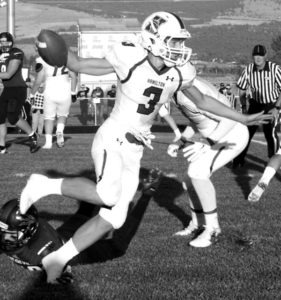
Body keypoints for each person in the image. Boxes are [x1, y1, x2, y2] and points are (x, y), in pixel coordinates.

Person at [19, 12, 271, 283]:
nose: (180, 47)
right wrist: (51, 47)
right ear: (155, 39)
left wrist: (242, 118)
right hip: (113, 135)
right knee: (108, 194)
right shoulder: (131, 57)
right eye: (173, 40)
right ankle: (41, 185)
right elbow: (79, 64)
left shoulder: (179, 71)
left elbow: (203, 102)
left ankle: (56, 260)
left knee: (114, 219)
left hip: (135, 146)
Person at [165, 77, 249, 247]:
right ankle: (197, 224)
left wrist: (207, 142)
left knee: (197, 172)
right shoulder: (180, 89)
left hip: (232, 133)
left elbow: (229, 119)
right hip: (217, 135)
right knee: (189, 181)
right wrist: (180, 141)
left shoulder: (190, 90)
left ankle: (212, 229)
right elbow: (197, 120)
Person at [232, 44, 281, 169]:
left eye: (260, 55)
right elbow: (242, 89)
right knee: (246, 132)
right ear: (252, 56)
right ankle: (238, 160)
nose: (258, 58)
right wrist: (243, 106)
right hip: (255, 103)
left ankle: (273, 161)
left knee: (270, 132)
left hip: (271, 103)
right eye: (255, 55)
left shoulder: (274, 69)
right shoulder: (248, 69)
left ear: (265, 56)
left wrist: (277, 107)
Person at [0, 32, 39, 154]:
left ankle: (32, 134)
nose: (4, 44)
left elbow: (8, 74)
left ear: (12, 42)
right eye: (2, 41)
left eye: (7, 41)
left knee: (12, 117)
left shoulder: (16, 53)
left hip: (17, 89)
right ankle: (1, 146)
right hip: (6, 90)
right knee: (0, 118)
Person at [30, 56, 77, 149]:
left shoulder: (42, 60)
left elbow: (38, 80)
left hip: (50, 91)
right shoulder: (66, 59)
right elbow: (74, 77)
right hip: (65, 91)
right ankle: (59, 131)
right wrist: (73, 93)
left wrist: (32, 94)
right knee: (62, 115)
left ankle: (48, 143)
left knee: (49, 118)